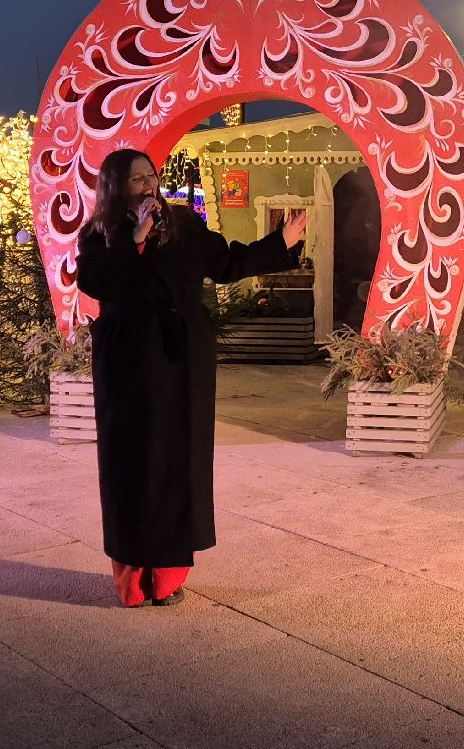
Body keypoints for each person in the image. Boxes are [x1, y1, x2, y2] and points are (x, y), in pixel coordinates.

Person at [76, 148, 306, 608]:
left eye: (151, 175)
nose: (148, 184)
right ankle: (132, 579)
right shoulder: (99, 234)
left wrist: (281, 241)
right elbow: (97, 283)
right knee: (131, 462)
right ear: (115, 187)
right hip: (128, 359)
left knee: (180, 457)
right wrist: (136, 237)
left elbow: (226, 264)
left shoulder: (183, 223)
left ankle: (167, 577)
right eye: (137, 179)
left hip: (183, 356)